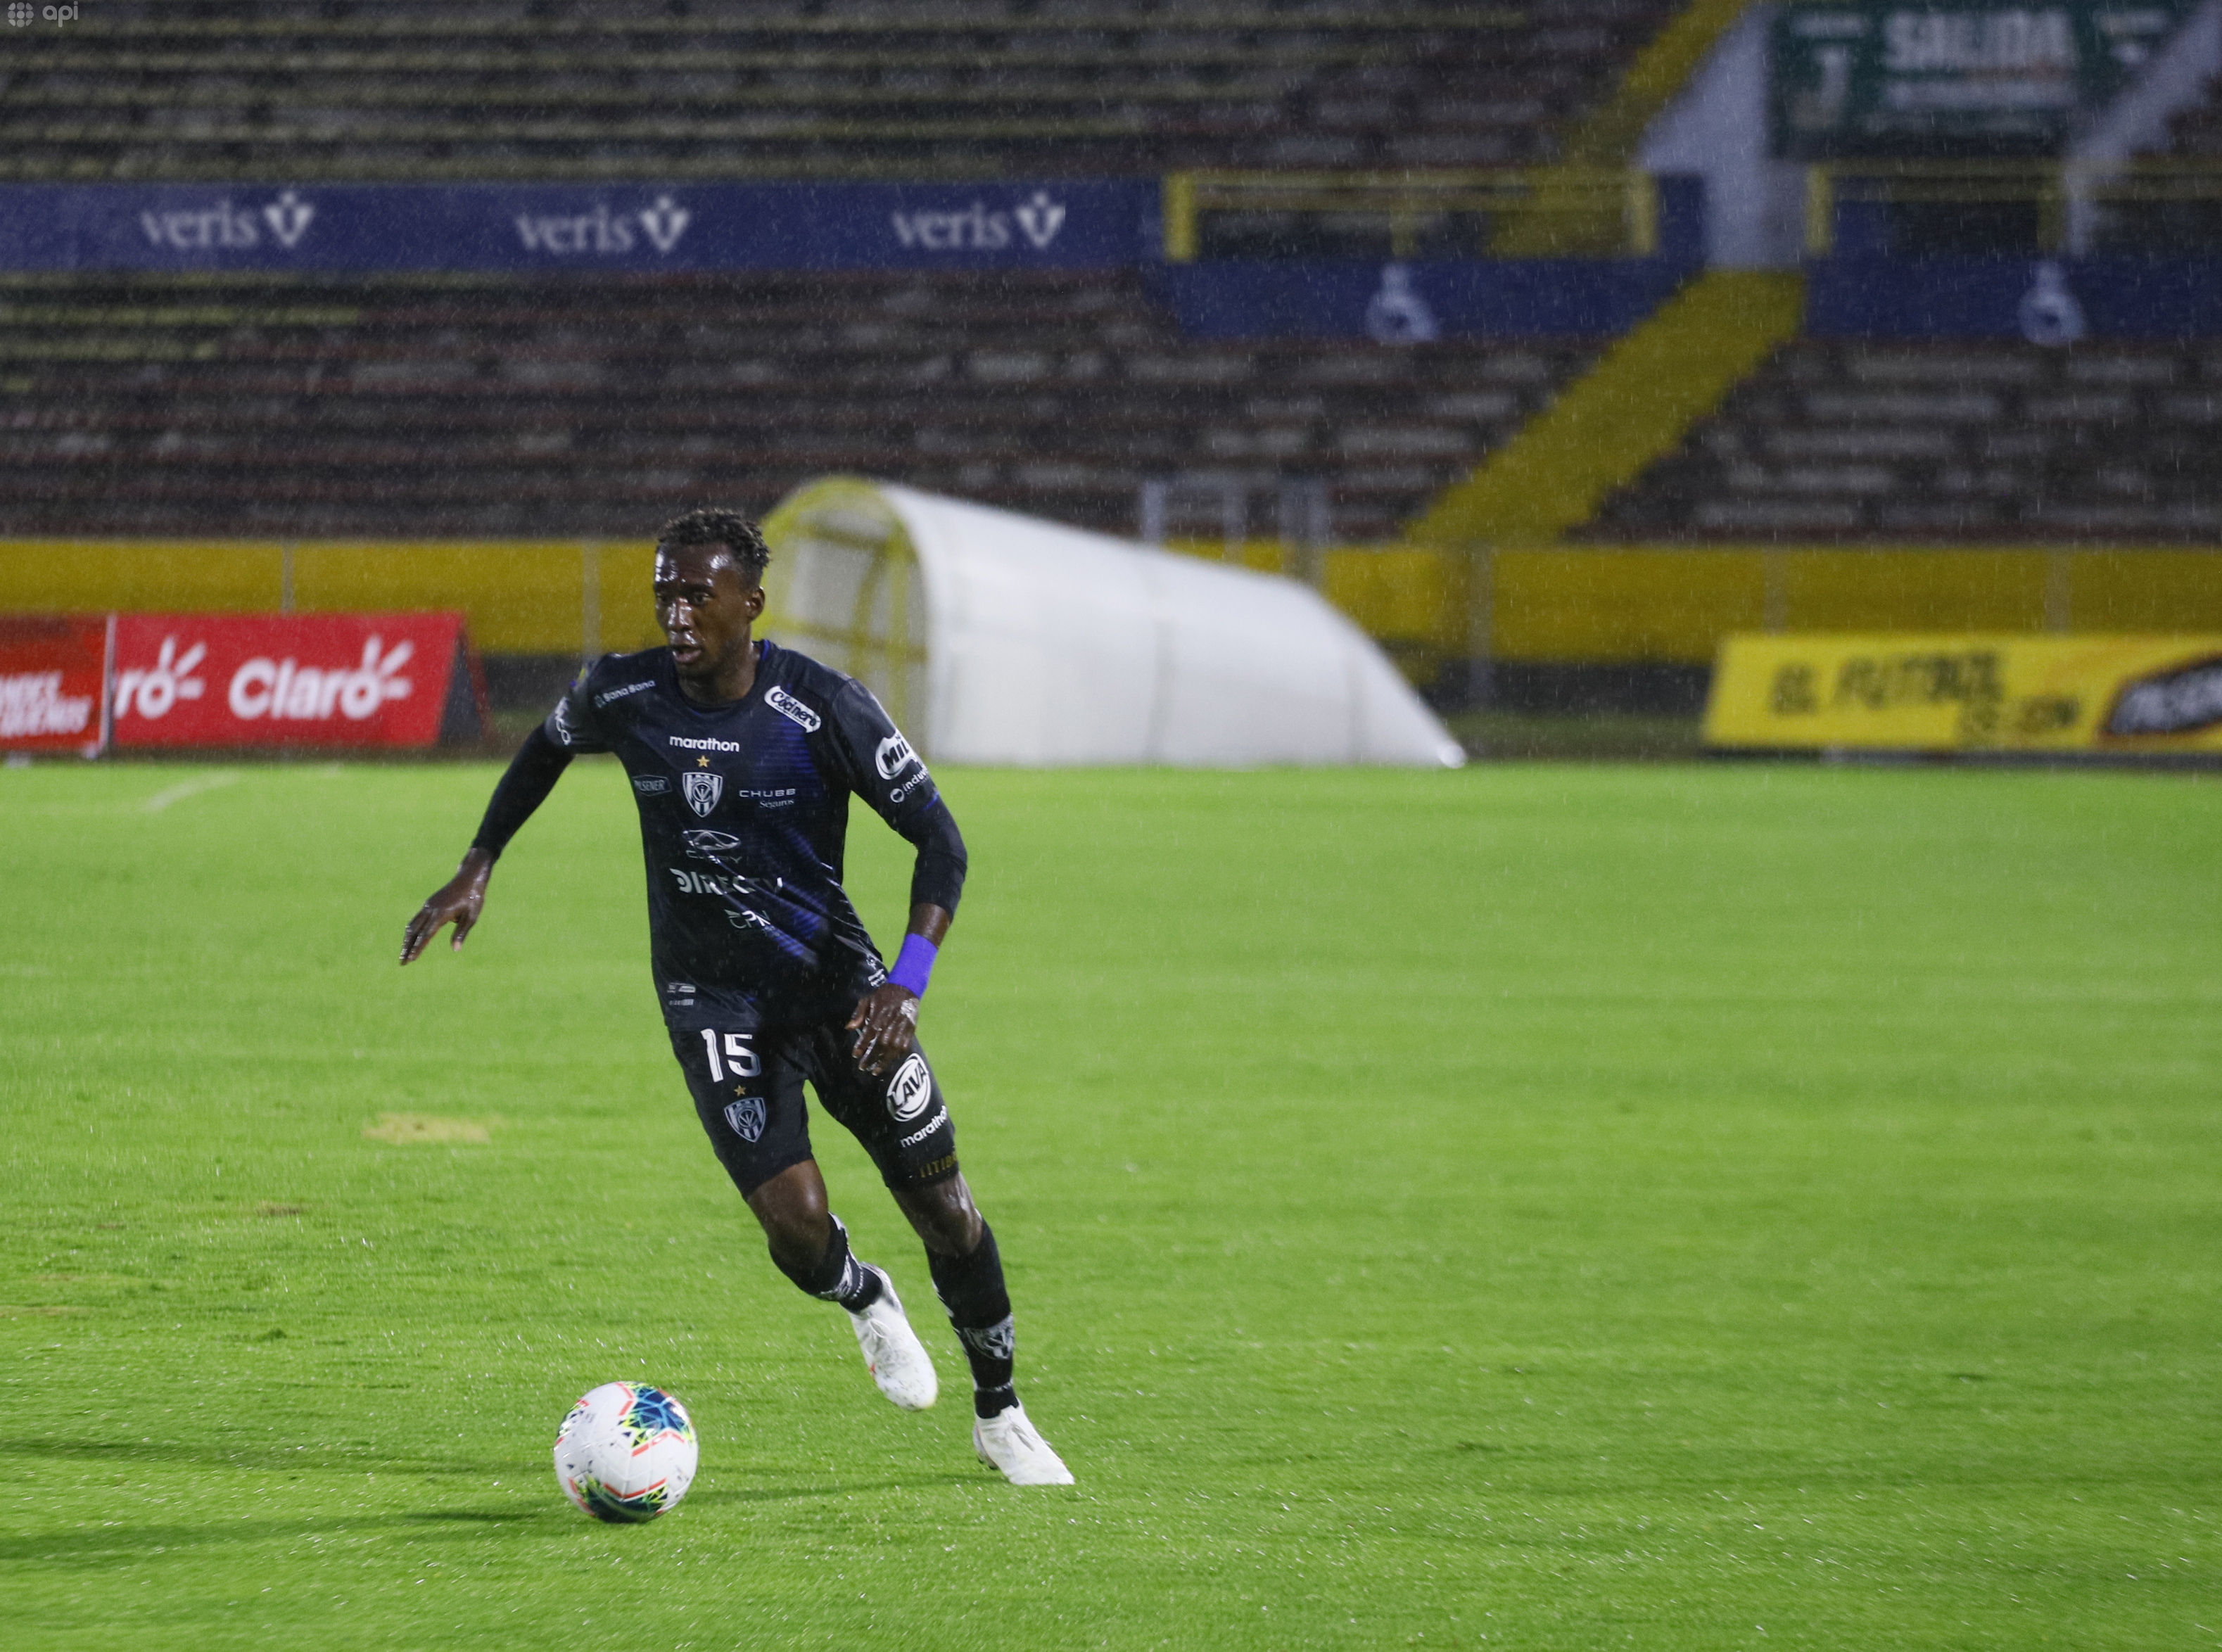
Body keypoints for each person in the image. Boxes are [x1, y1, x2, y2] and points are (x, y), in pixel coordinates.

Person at [400, 507, 1072, 1487]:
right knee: (795, 1230)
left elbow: (942, 842)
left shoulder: (822, 707)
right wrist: (479, 863)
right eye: (663, 595)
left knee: (946, 1210)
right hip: (712, 1003)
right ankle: (862, 1294)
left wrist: (906, 984)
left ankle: (1000, 1411)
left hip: (842, 996)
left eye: (697, 595)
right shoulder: (624, 692)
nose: (677, 614)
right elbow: (545, 747)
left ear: (750, 603)